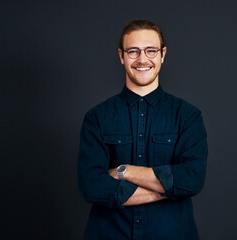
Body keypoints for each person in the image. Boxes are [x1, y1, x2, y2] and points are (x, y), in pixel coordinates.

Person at [77, 19, 208, 240]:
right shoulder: (97, 118)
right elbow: (91, 185)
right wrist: (168, 189)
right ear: (121, 56)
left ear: (163, 54)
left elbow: (192, 179)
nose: (142, 59)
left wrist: (124, 171)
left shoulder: (188, 116)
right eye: (133, 52)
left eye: (151, 51)